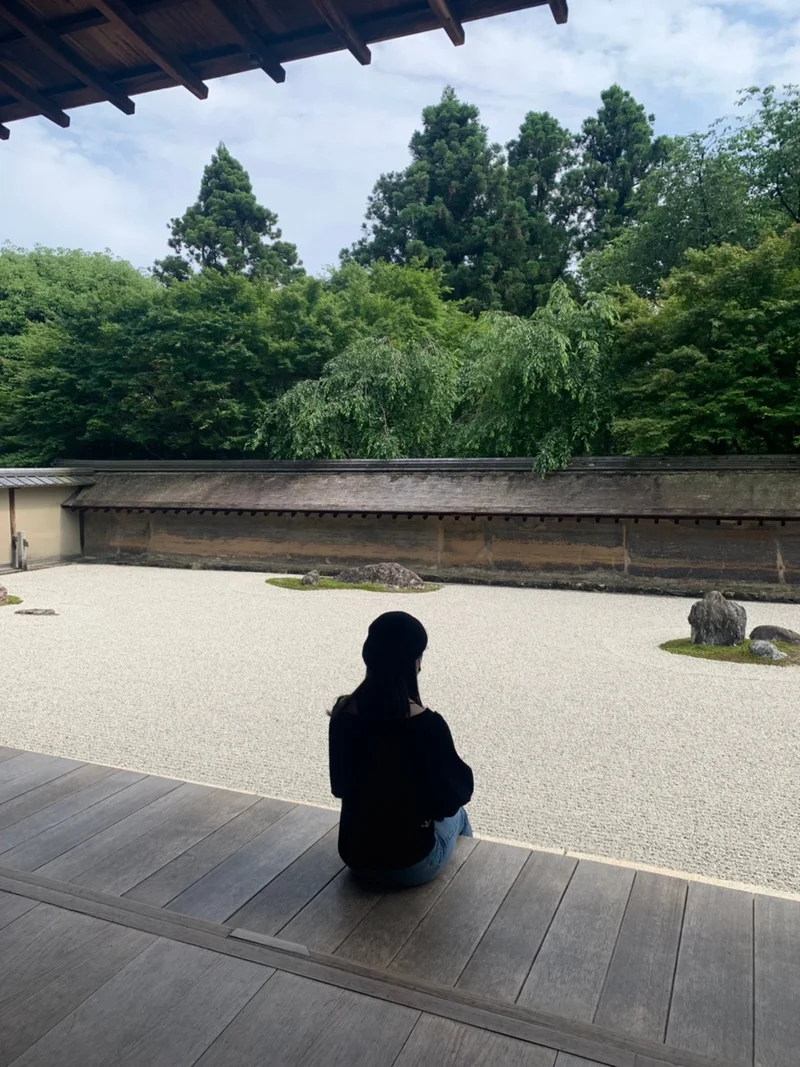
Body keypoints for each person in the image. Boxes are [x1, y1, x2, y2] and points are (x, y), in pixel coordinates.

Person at [328, 610, 473, 889]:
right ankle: (462, 893)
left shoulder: (343, 713)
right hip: (411, 862)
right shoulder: (428, 724)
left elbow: (339, 787)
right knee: (460, 818)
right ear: (414, 662)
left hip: (355, 856)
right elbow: (456, 795)